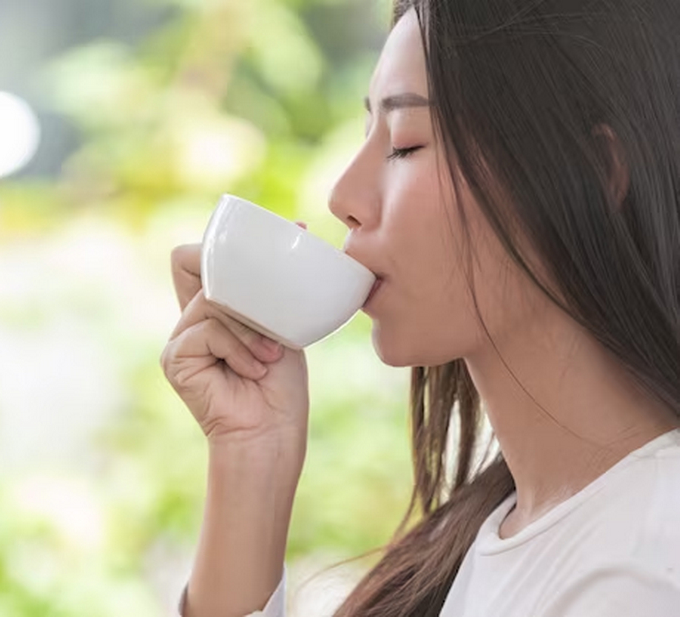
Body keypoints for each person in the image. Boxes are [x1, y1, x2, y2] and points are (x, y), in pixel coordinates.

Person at [159, 0, 680, 615]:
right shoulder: (494, 530)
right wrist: (253, 456)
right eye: (366, 137)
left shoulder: (643, 569)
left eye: (405, 144)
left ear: (591, 174)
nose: (343, 197)